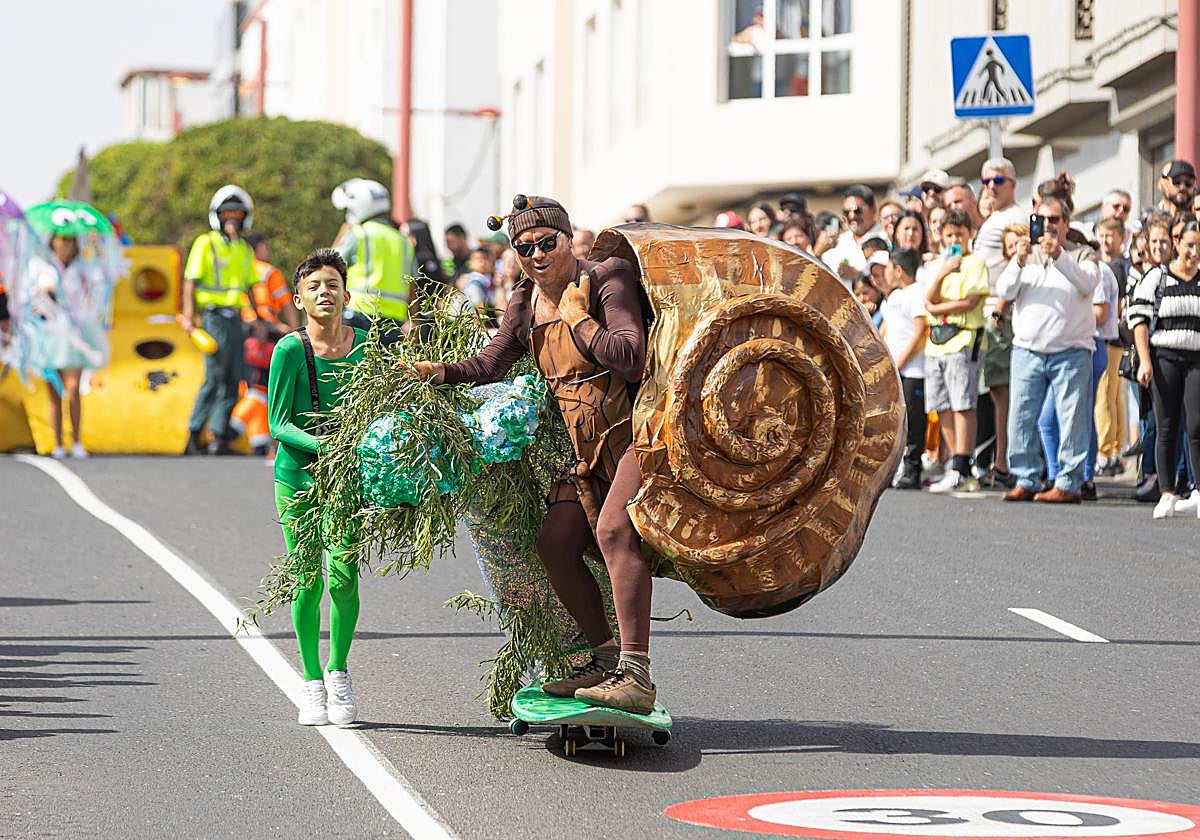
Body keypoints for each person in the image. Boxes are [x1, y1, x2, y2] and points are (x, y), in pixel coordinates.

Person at [413, 195, 657, 714]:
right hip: (589, 450)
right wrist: (442, 372)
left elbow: (632, 358)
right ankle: (604, 658)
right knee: (554, 543)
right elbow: (495, 362)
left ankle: (636, 675)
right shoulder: (524, 300)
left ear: (569, 240)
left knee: (614, 530)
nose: (537, 254)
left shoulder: (606, 280)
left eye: (548, 242)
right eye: (525, 247)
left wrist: (580, 322)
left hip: (641, 434)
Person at [268, 248, 367, 725]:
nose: (324, 293)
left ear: (346, 294)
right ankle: (310, 683)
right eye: (314, 287)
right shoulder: (290, 349)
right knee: (306, 580)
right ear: (299, 300)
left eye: (332, 284)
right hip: (299, 478)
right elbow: (278, 423)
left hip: (347, 479)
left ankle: (338, 672)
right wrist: (324, 447)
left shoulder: (367, 347)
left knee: (344, 576)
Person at [998, 195, 1100, 503]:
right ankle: (1026, 478)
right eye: (1041, 220)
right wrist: (1017, 260)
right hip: (1027, 349)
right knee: (1021, 417)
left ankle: (1068, 484)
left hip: (1071, 350)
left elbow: (1087, 284)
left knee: (1072, 419)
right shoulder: (1025, 257)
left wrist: (1058, 256)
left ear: (1067, 223)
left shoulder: (1083, 254)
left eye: (1054, 220)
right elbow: (1004, 291)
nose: (1047, 226)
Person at [1128, 215, 1200, 519]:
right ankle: (1167, 492)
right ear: (1176, 244)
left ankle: (1197, 491)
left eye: (1198, 247)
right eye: (1189, 245)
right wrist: (1145, 360)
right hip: (1164, 357)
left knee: (1197, 425)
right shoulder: (1158, 277)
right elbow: (1138, 319)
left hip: (1196, 358)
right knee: (1166, 425)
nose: (1194, 252)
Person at [181, 185, 257, 456]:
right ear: (218, 216)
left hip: (236, 321)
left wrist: (257, 320)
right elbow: (190, 282)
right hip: (213, 319)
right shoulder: (207, 243)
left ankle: (218, 437)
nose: (232, 219)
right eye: (227, 214)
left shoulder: (244, 249)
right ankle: (193, 434)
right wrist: (189, 317)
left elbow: (250, 288)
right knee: (213, 379)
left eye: (237, 214)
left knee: (234, 379)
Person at [923, 209, 988, 493]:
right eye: (949, 235)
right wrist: (944, 272)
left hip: (963, 339)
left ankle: (962, 461)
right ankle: (955, 462)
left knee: (963, 402)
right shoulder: (939, 263)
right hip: (937, 341)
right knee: (941, 403)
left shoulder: (975, 262)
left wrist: (937, 308)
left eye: (959, 234)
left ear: (969, 235)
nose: (954, 240)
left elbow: (971, 301)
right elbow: (929, 296)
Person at [332, 179, 414, 338]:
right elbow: (413, 286)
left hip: (359, 314)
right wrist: (412, 320)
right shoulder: (404, 241)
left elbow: (329, 265)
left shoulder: (359, 233)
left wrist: (344, 230)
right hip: (394, 321)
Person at [881, 247, 927, 488]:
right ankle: (894, 468)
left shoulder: (916, 293)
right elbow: (887, 329)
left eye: (888, 268)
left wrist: (901, 362)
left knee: (914, 420)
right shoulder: (895, 296)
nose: (886, 273)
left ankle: (913, 467)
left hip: (913, 370)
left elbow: (920, 330)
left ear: (898, 270)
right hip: (894, 370)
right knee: (895, 421)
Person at [40, 234, 89, 459]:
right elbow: (37, 298)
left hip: (73, 336)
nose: (66, 247)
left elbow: (88, 298)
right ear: (54, 244)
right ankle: (57, 443)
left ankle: (76, 441)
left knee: (73, 389)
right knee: (54, 393)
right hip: (49, 337)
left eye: (70, 242)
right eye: (62, 242)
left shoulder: (80, 269)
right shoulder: (44, 268)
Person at [1094, 217, 1129, 475]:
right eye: (1102, 235)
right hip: (1117, 339)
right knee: (1113, 396)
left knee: (1105, 397)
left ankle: (1105, 451)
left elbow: (1113, 308)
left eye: (1111, 236)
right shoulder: (1115, 264)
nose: (1106, 241)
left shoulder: (1114, 266)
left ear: (1121, 238)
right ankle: (1113, 448)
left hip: (1109, 338)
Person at [823, 184, 883, 287]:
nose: (852, 216)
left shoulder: (884, 238)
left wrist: (857, 275)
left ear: (873, 209)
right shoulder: (840, 241)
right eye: (846, 212)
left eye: (857, 211)